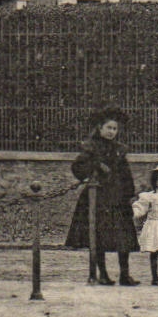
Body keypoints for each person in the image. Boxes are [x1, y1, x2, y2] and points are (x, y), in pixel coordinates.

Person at [65, 109, 141, 286]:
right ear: (100, 128)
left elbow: (125, 173)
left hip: (118, 198)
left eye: (115, 128)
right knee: (99, 236)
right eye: (108, 128)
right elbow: (78, 168)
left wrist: (129, 193)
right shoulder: (90, 147)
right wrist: (96, 165)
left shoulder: (119, 149)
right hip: (97, 198)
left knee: (123, 237)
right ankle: (103, 274)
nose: (111, 132)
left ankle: (125, 274)